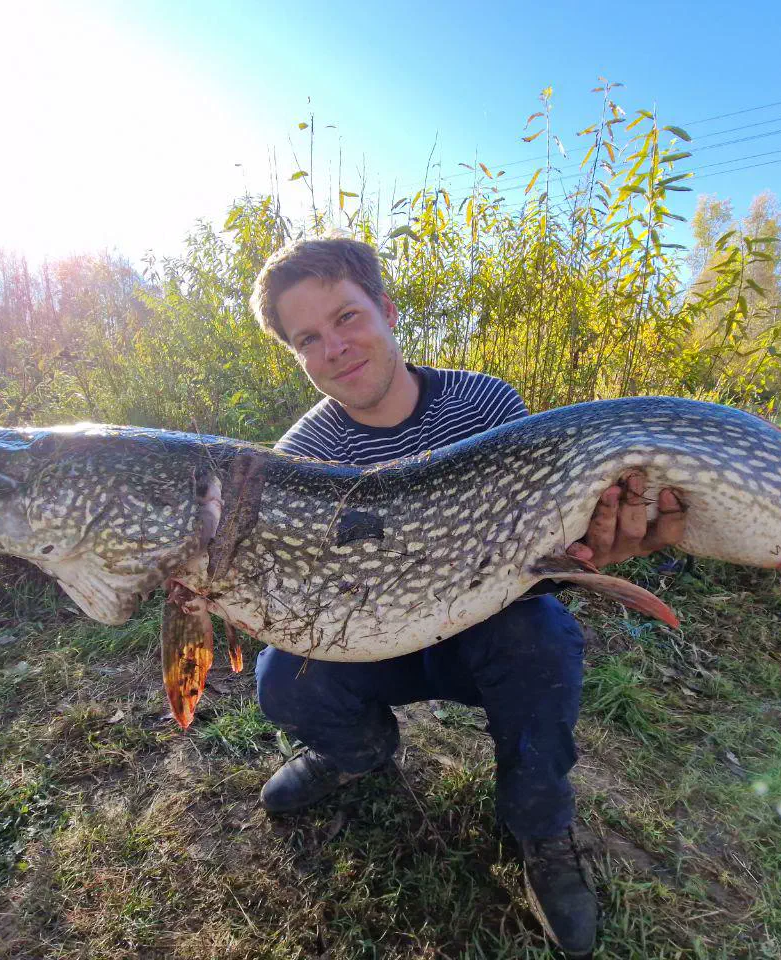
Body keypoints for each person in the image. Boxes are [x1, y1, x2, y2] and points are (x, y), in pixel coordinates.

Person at [247, 236, 685, 957]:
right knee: (281, 676)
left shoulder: (484, 401)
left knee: (543, 639)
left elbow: (543, 545)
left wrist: (592, 548)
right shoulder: (299, 455)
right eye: (309, 339)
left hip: (486, 629)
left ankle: (540, 827)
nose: (335, 347)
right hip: (375, 638)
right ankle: (358, 753)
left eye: (347, 318)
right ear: (297, 355)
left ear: (386, 311)